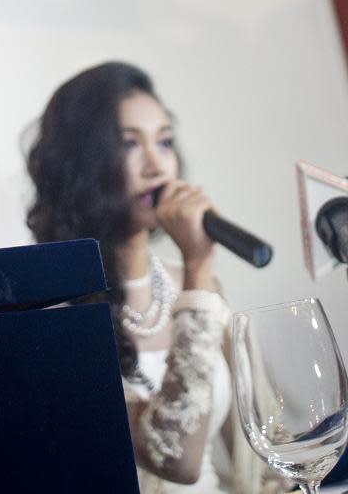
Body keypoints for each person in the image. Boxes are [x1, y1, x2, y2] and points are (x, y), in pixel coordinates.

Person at [25, 62, 280, 493]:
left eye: (164, 141)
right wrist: (200, 266)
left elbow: (266, 456)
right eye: (129, 145)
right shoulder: (56, 313)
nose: (155, 166)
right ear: (82, 164)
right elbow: (174, 457)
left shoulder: (195, 288)